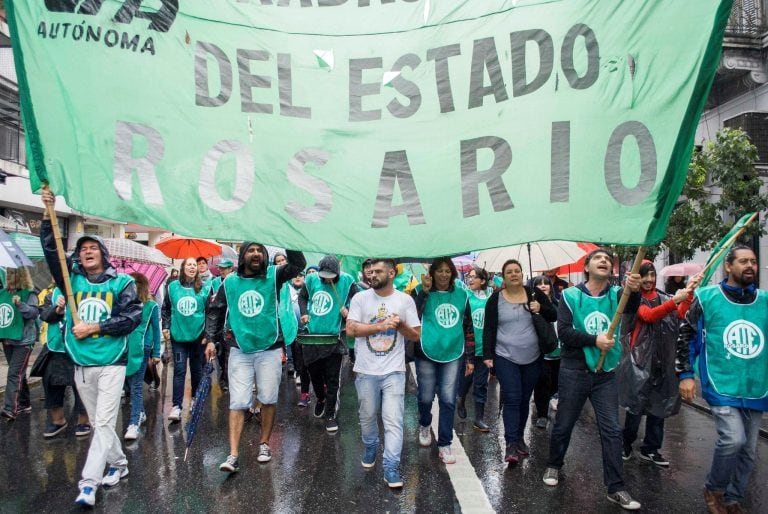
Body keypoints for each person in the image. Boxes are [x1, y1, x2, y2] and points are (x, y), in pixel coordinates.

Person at [40, 189, 142, 507]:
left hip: (112, 362)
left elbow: (132, 317)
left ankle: (88, 484)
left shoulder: (121, 283)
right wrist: (47, 213)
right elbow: (51, 251)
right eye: (82, 249)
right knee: (101, 424)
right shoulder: (71, 282)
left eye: (92, 247)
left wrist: (94, 327)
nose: (86, 252)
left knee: (103, 422)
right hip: (81, 364)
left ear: (102, 253)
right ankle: (120, 464)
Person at [542, 248, 642, 511]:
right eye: (598, 258)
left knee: (611, 430)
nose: (604, 262)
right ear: (586, 267)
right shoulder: (570, 296)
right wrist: (594, 340)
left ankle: (616, 487)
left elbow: (632, 306)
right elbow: (564, 332)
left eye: (608, 260)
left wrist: (635, 288)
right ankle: (554, 464)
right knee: (564, 423)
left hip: (605, 374)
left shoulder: (618, 295)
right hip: (575, 370)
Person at [677, 246, 767, 514]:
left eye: (753, 261)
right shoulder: (706, 298)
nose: (750, 265)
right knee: (733, 439)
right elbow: (686, 336)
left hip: (755, 385)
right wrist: (685, 375)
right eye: (743, 261)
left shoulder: (764, 301)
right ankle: (714, 488)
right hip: (721, 382)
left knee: (749, 451)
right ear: (728, 266)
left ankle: (733, 498)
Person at [206, 242, 305, 472]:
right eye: (251, 250)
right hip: (240, 349)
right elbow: (216, 310)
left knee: (268, 398)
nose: (256, 253)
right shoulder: (229, 282)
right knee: (238, 401)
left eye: (260, 250)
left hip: (269, 348)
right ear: (242, 256)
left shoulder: (274, 275)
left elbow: (299, 264)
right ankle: (233, 455)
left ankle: (264, 444)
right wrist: (211, 338)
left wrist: (287, 238)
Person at [346, 258, 421, 488]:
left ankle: (391, 466)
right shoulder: (360, 298)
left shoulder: (404, 300)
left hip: (394, 372)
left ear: (391, 273)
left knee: (393, 421)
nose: (372, 274)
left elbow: (416, 335)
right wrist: (380, 326)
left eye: (378, 271)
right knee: (367, 417)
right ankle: (370, 445)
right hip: (366, 371)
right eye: (370, 271)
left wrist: (400, 326)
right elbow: (351, 330)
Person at [619, 262, 699, 466]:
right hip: (640, 362)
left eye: (652, 275)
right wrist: (675, 301)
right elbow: (648, 316)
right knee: (635, 408)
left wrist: (689, 293)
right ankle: (625, 443)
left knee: (660, 407)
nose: (649, 280)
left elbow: (680, 315)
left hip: (663, 362)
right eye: (644, 275)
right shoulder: (632, 299)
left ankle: (651, 448)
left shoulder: (663, 297)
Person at [482, 261, 557, 463]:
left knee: (524, 399)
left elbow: (554, 314)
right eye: (509, 272)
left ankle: (520, 438)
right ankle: (511, 444)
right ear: (504, 277)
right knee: (513, 398)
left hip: (533, 357)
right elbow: (488, 328)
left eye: (517, 271)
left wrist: (540, 307)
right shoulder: (495, 298)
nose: (514, 274)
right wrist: (487, 355)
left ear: (522, 274)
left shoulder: (534, 294)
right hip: (505, 356)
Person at [412, 257, 474, 465]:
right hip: (426, 352)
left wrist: (470, 358)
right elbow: (412, 315)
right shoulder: (421, 290)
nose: (444, 275)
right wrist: (424, 292)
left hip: (453, 353)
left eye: (448, 271)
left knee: (448, 399)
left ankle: (445, 443)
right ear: (432, 273)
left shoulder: (462, 295)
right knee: (425, 397)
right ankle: (424, 423)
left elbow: (468, 328)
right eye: (440, 271)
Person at [299, 255, 357, 432]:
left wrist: (350, 311)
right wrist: (304, 313)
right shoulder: (311, 279)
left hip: (334, 338)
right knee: (314, 375)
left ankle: (331, 415)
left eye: (330, 276)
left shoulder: (347, 281)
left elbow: (361, 302)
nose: (326, 279)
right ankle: (321, 399)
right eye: (323, 275)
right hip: (312, 337)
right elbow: (302, 298)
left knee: (332, 379)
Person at [162, 257, 212, 422]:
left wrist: (207, 335)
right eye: (189, 264)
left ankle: (195, 400)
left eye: (194, 265)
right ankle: (176, 406)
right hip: (178, 336)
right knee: (180, 370)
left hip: (198, 336)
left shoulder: (204, 288)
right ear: (183, 268)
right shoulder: (172, 288)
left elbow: (210, 312)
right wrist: (166, 326)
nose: (192, 267)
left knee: (197, 370)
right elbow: (166, 309)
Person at [39, 287, 91, 437]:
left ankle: (84, 421)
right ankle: (58, 420)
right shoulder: (53, 294)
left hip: (79, 348)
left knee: (82, 386)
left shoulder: (86, 289)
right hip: (56, 347)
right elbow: (44, 315)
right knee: (51, 383)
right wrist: (58, 309)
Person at [124, 273, 161, 441]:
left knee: (137, 385)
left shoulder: (151, 306)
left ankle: (134, 422)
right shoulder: (124, 305)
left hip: (142, 348)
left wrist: (156, 353)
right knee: (131, 383)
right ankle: (140, 413)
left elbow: (156, 328)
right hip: (124, 348)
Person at [456, 266, 492, 432]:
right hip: (469, 348)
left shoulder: (490, 296)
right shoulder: (465, 296)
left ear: (482, 280)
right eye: (469, 277)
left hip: (485, 349)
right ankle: (461, 398)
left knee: (481, 384)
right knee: (466, 379)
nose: (470, 280)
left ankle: (479, 418)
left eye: (474, 277)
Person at [0, 267, 39, 419]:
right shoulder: (4, 293)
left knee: (14, 373)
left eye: (13, 273)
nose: (9, 276)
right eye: (8, 273)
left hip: (24, 341)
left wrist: (20, 305)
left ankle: (10, 408)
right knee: (18, 373)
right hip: (8, 339)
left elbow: (34, 313)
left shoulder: (29, 293)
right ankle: (24, 403)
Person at [532, 275, 562, 430]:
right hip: (542, 353)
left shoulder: (559, 304)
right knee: (542, 384)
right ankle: (542, 414)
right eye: (539, 284)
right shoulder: (532, 306)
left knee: (556, 384)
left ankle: (550, 399)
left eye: (546, 283)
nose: (543, 286)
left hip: (559, 352)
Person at [211, 259, 234, 391]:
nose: (222, 270)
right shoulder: (214, 282)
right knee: (220, 353)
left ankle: (226, 380)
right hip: (219, 322)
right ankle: (223, 374)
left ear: (231, 269)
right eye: (220, 268)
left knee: (229, 353)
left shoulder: (234, 281)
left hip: (230, 324)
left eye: (224, 268)